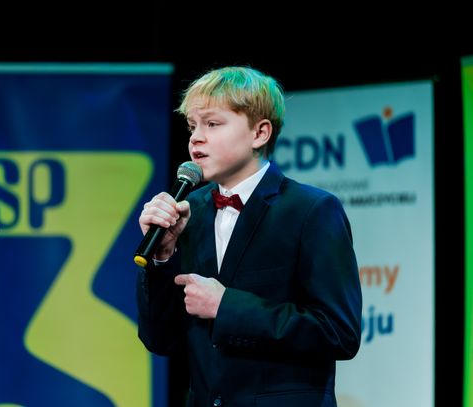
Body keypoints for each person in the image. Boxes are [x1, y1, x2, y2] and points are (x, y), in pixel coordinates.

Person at [136, 66, 362, 407]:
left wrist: (226, 306)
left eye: (212, 124)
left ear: (260, 133)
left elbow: (338, 332)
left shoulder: (311, 210)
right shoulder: (189, 212)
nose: (196, 138)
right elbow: (160, 339)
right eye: (192, 126)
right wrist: (163, 257)